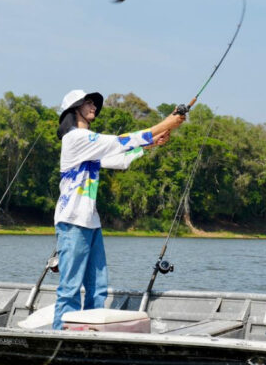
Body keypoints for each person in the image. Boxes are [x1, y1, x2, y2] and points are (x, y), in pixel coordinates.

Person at [53, 89, 185, 329]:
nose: (94, 106)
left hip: (91, 222)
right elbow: (118, 141)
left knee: (98, 288)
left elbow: (118, 158)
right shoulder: (75, 138)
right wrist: (165, 123)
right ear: (74, 109)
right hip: (72, 222)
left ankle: (90, 333)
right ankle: (59, 334)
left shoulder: (88, 143)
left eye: (94, 103)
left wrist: (149, 145)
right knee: (70, 287)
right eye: (88, 102)